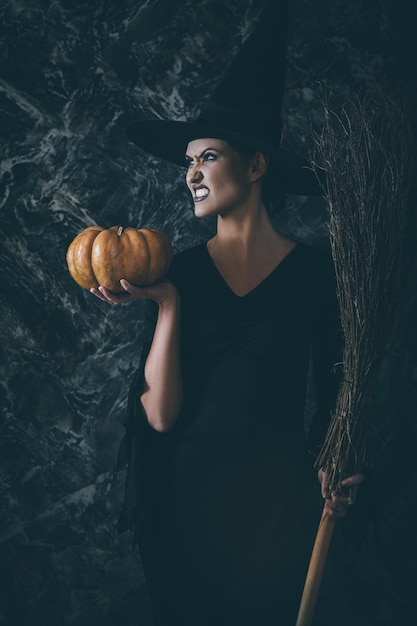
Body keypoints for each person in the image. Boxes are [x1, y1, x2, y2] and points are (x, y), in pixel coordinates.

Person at [91, 2, 364, 624]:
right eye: (189, 161)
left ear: (257, 164)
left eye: (206, 157)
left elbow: (337, 388)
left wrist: (342, 465)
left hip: (279, 506)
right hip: (182, 508)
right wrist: (165, 305)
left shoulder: (318, 275)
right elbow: (159, 418)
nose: (190, 175)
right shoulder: (177, 273)